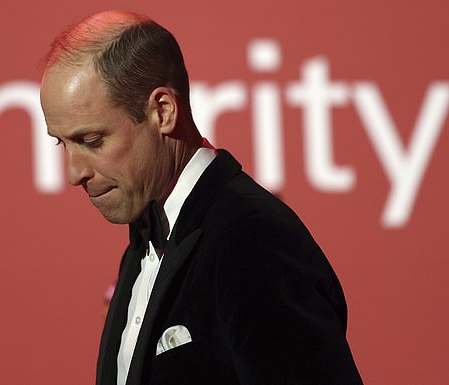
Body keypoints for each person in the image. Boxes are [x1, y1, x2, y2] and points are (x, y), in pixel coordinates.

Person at [40, 10, 364, 385]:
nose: (73, 172)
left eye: (92, 141)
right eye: (60, 143)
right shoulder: (145, 242)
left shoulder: (252, 240)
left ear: (163, 112)